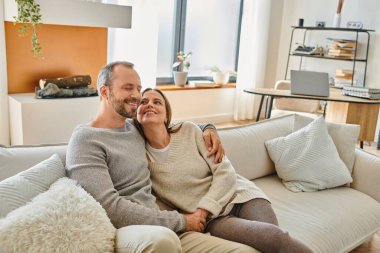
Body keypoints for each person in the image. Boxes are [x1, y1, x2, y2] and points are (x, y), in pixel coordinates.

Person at [66, 61, 258, 253]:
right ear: (105, 92)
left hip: (163, 223)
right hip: (126, 230)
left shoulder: (133, 127)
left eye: (138, 88)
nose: (136, 95)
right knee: (164, 241)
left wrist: (208, 129)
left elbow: (169, 126)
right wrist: (182, 220)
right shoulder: (85, 140)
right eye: (128, 87)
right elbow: (109, 207)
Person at [135, 88, 313, 253]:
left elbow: (225, 172)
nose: (149, 104)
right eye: (143, 102)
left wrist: (202, 211)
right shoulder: (140, 158)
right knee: (268, 241)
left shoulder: (189, 131)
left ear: (167, 116)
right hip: (215, 219)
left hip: (241, 196)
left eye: (157, 102)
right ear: (136, 115)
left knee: (276, 238)